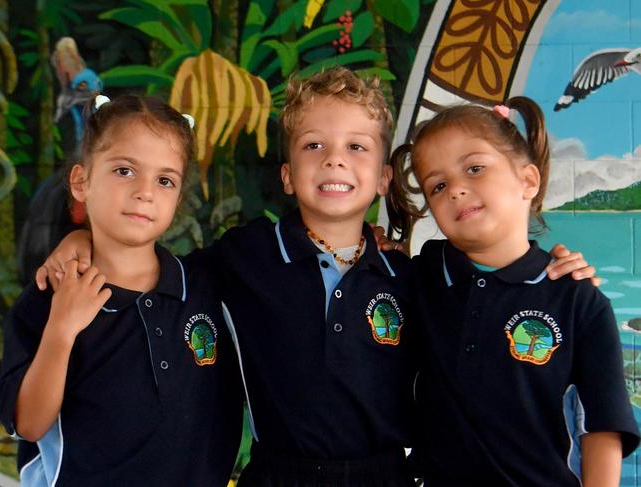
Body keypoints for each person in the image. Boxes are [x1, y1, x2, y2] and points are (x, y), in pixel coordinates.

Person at [35, 71, 596, 486]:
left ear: (380, 178)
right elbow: (148, 262)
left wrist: (555, 271)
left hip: (387, 479)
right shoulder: (245, 256)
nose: (334, 160)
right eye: (313, 146)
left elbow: (494, 279)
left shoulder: (411, 273)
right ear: (286, 174)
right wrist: (81, 238)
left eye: (355, 147)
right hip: (277, 475)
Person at [387, 97, 640, 486]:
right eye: (437, 185)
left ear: (528, 181)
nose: (455, 190)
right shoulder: (420, 279)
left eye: (474, 168)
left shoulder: (578, 300)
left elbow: (602, 428)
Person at [0, 95, 242, 486]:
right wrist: (62, 327)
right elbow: (29, 424)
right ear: (81, 181)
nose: (145, 192)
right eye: (125, 170)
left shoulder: (205, 285)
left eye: (165, 180)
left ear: (177, 198)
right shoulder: (49, 295)